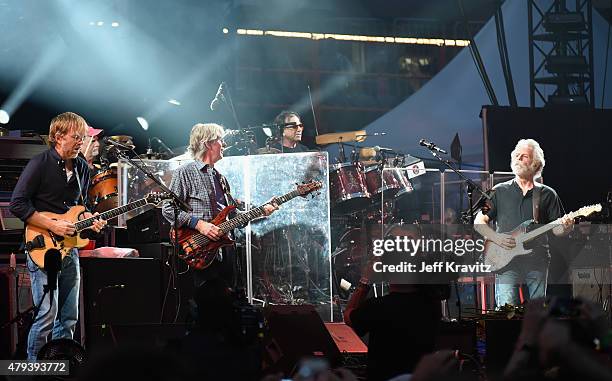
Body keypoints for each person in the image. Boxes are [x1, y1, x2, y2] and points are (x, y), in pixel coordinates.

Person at [9, 111, 106, 360]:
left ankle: (60, 367)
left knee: (69, 315)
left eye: (83, 137)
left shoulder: (83, 167)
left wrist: (90, 220)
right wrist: (53, 226)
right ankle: (33, 369)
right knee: (46, 315)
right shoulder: (40, 163)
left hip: (69, 247)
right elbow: (17, 204)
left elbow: (78, 208)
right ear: (58, 136)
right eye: (76, 136)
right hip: (42, 246)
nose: (80, 141)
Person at [162, 123, 278, 288]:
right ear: (208, 143)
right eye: (220, 140)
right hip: (197, 250)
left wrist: (261, 211)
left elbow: (233, 218)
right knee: (203, 304)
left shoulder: (221, 179)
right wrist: (200, 225)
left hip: (222, 253)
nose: (224, 145)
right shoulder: (184, 172)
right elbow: (168, 209)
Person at [474, 139, 573, 308]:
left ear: (535, 163)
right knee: (507, 310)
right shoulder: (498, 190)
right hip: (505, 260)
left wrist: (566, 227)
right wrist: (496, 238)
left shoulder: (548, 194)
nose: (518, 158)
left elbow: (556, 231)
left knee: (537, 312)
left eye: (524, 156)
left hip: (537, 258)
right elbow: (479, 222)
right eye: (516, 155)